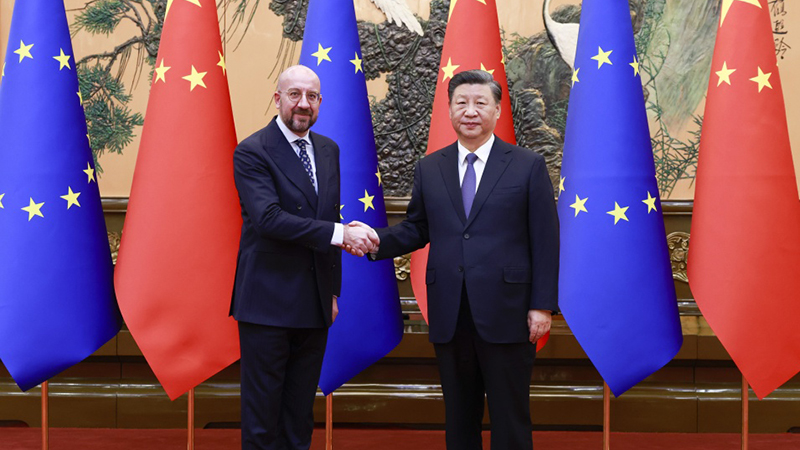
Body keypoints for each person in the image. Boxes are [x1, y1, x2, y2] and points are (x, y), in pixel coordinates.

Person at [355, 69, 559, 450]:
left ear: (497, 110)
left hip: (509, 311)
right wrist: (373, 240)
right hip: (451, 311)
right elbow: (417, 228)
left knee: (510, 417)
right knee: (460, 418)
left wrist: (542, 305)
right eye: (461, 103)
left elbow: (546, 240)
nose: (470, 111)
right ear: (449, 111)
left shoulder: (527, 165)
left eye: (480, 102)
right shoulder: (430, 167)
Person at [231, 65, 377, 450]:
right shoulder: (252, 151)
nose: (303, 104)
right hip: (267, 305)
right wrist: (341, 234)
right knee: (263, 419)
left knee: (299, 418)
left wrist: (331, 292)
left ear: (320, 102)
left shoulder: (328, 150)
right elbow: (268, 219)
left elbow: (327, 217)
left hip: (314, 302)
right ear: (277, 98)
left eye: (312, 96)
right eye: (294, 94)